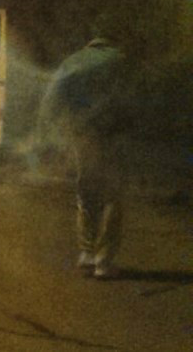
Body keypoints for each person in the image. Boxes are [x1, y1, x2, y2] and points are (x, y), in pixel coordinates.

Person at [36, 36, 129, 279]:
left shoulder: (73, 61)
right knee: (112, 198)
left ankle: (87, 253)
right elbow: (135, 100)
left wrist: (51, 135)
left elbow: (51, 101)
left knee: (86, 193)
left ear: (90, 44)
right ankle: (103, 261)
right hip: (112, 137)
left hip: (81, 136)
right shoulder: (121, 62)